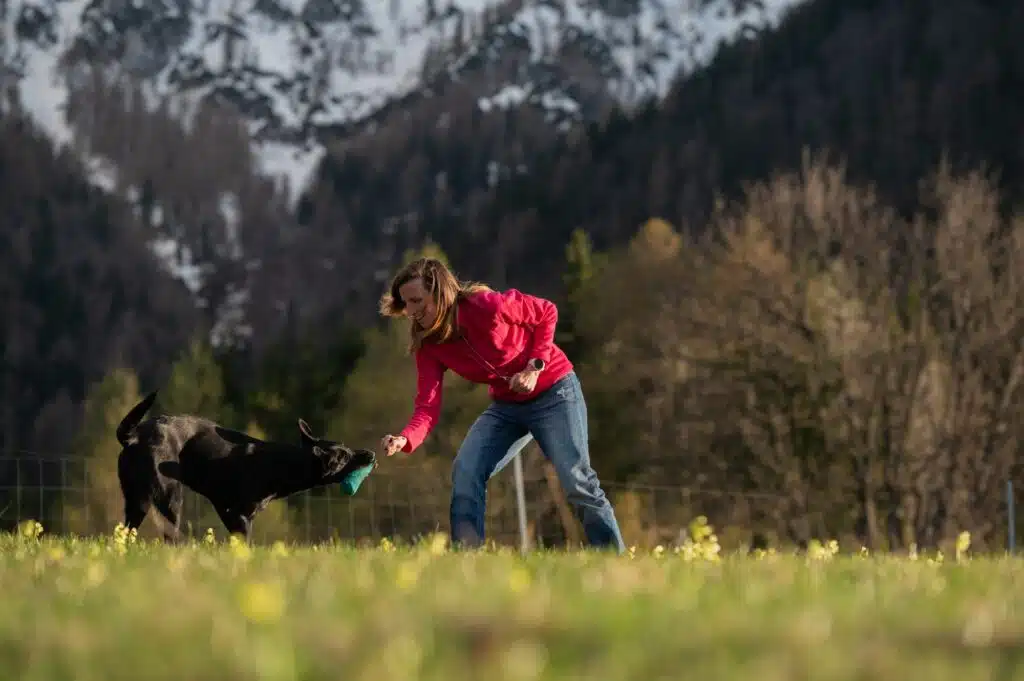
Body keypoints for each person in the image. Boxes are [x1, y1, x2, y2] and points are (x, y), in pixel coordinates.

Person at [378, 257, 626, 553]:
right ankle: (466, 558)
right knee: (466, 470)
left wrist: (534, 367)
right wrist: (406, 438)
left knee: (576, 478)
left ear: (440, 292)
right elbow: (427, 407)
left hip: (555, 392)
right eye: (406, 304)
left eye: (417, 300)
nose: (412, 311)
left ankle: (612, 555)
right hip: (508, 406)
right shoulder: (429, 345)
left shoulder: (488, 306)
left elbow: (546, 312)